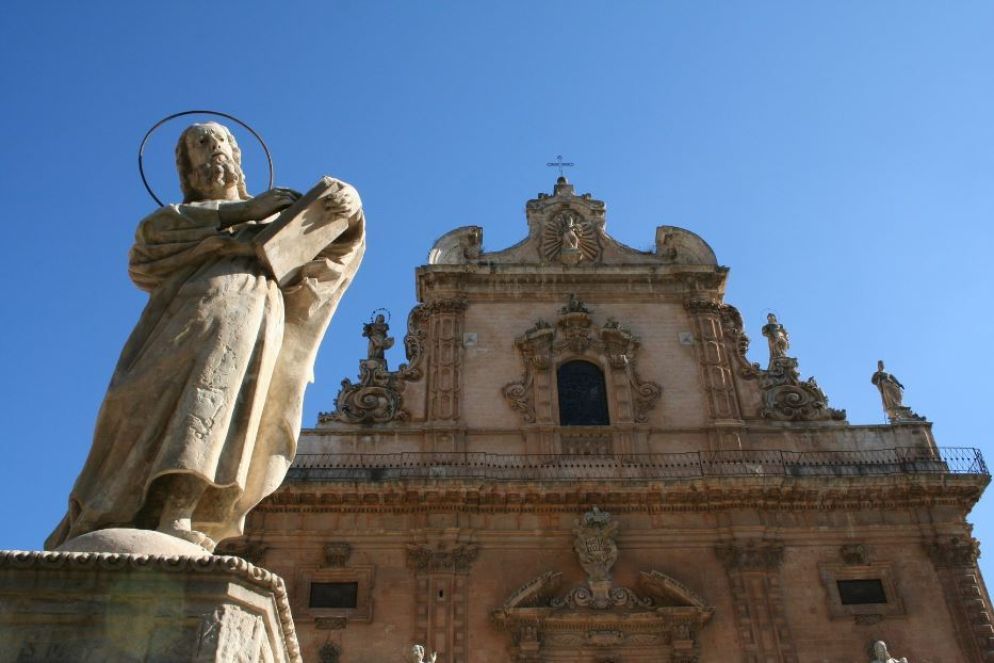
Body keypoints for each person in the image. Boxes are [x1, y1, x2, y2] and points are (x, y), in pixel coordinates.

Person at [46, 122, 365, 551]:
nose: (211, 146)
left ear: (236, 153)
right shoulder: (176, 220)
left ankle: (180, 511)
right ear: (188, 168)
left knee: (217, 408)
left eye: (218, 139)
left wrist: (351, 212)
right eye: (198, 143)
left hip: (250, 315)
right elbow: (145, 255)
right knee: (135, 406)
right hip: (183, 312)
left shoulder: (277, 215)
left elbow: (332, 258)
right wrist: (240, 215)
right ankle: (107, 509)